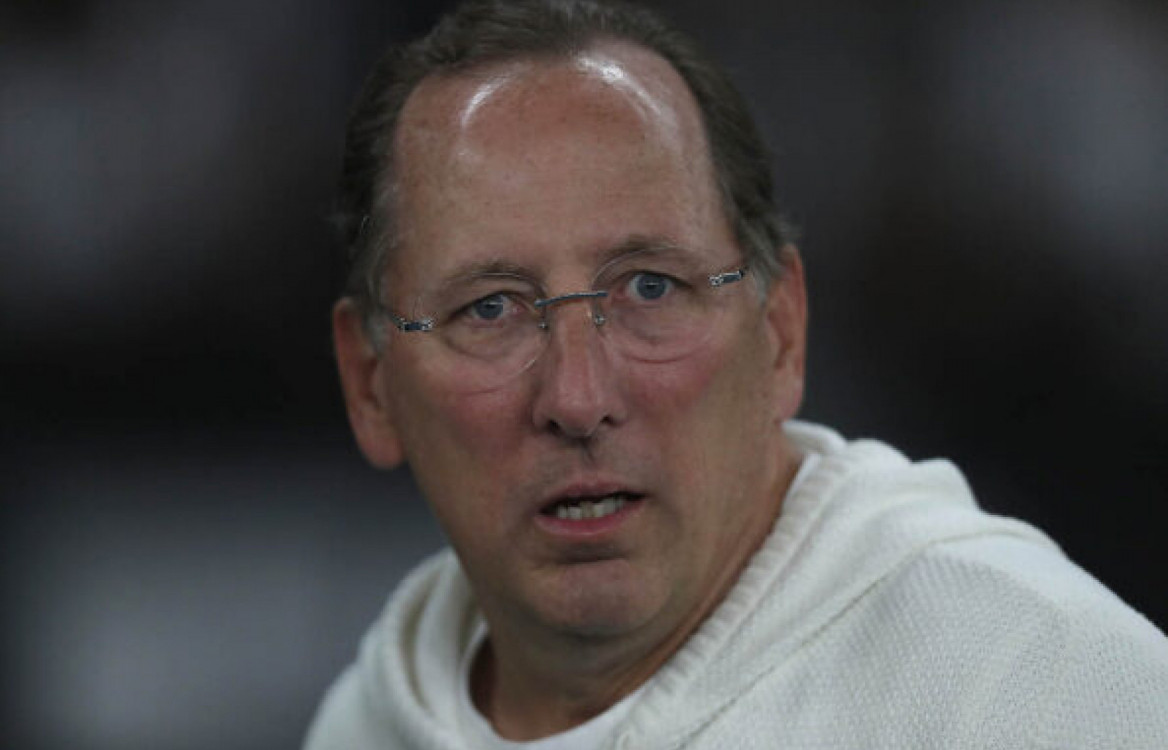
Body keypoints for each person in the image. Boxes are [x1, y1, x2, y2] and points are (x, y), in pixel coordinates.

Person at [307, 1, 1168, 747]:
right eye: (490, 309)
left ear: (781, 334)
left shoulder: (1030, 686)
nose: (578, 398)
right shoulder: (368, 724)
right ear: (371, 385)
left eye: (651, 288)